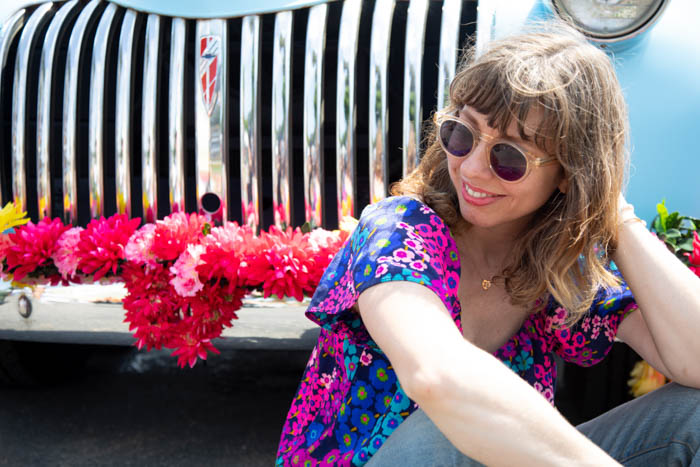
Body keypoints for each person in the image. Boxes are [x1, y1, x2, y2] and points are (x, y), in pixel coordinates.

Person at [275, 22, 700, 466]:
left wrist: (614, 216)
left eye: (509, 156)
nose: (473, 169)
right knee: (447, 425)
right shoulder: (400, 231)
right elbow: (438, 377)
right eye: (462, 133)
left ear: (568, 173)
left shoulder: (557, 264)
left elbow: (694, 360)